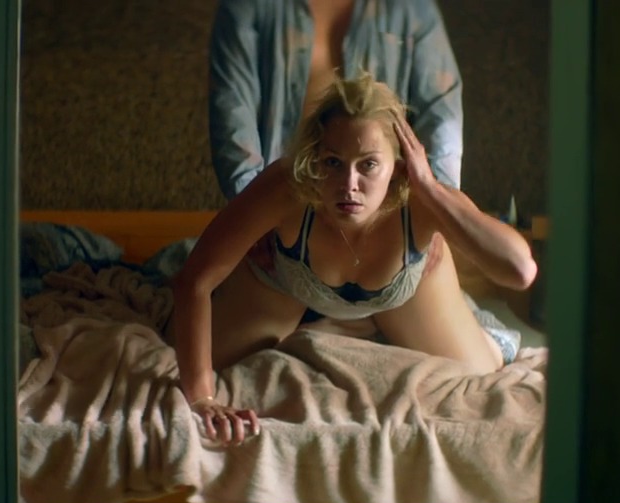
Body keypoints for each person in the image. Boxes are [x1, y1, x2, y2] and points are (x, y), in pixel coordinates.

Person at [169, 73, 537, 445]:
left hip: (403, 296)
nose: (349, 185)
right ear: (314, 159)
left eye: (368, 165)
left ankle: (379, 319)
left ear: (398, 166)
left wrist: (429, 187)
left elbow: (520, 271)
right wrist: (203, 400)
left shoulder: (420, 200)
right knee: (185, 350)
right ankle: (327, 319)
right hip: (289, 287)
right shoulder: (288, 188)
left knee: (483, 370)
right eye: (333, 162)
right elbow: (194, 281)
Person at [208, 0, 465, 201]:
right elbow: (232, 113)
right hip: (281, 203)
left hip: (381, 212)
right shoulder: (250, 5)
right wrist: (253, 216)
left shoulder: (410, 8)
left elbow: (442, 115)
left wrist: (437, 212)